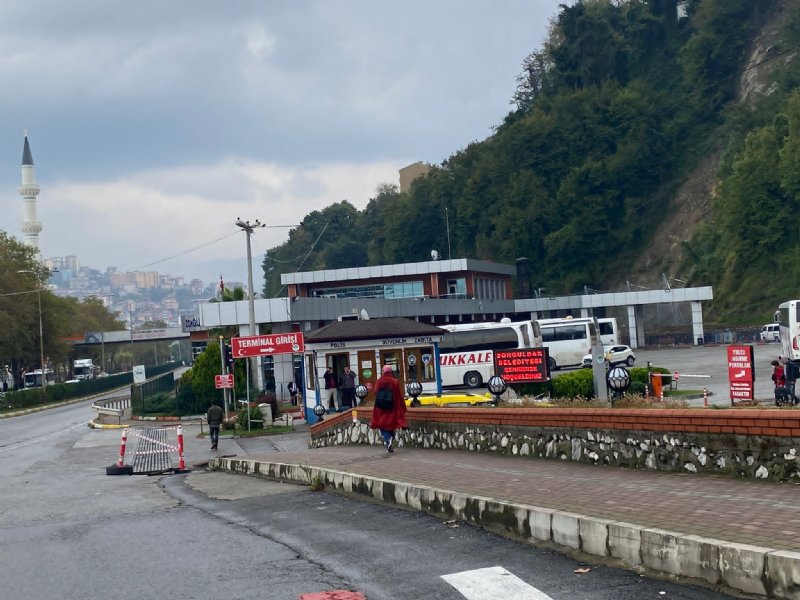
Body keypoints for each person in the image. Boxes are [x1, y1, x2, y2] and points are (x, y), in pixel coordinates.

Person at [370, 364, 407, 453]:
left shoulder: (379, 381)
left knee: (382, 424)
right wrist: (402, 406)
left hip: (381, 406)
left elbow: (375, 392)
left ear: (383, 371)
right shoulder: (395, 381)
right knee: (391, 424)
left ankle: (388, 439)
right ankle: (390, 439)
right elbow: (399, 394)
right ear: (391, 372)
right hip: (392, 406)